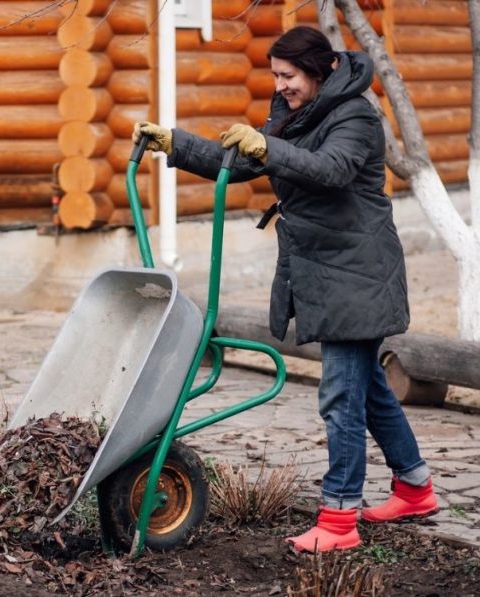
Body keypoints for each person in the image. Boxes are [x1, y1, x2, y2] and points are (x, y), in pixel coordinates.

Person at [132, 26, 438, 553]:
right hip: (326, 270)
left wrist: (269, 146)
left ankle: (339, 519)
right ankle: (414, 488)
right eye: (275, 75)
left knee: (342, 395)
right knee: (366, 390)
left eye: (288, 76)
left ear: (319, 73)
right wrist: (175, 143)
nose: (280, 85)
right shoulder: (297, 112)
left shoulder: (357, 117)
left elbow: (332, 169)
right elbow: (248, 160)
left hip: (356, 272)